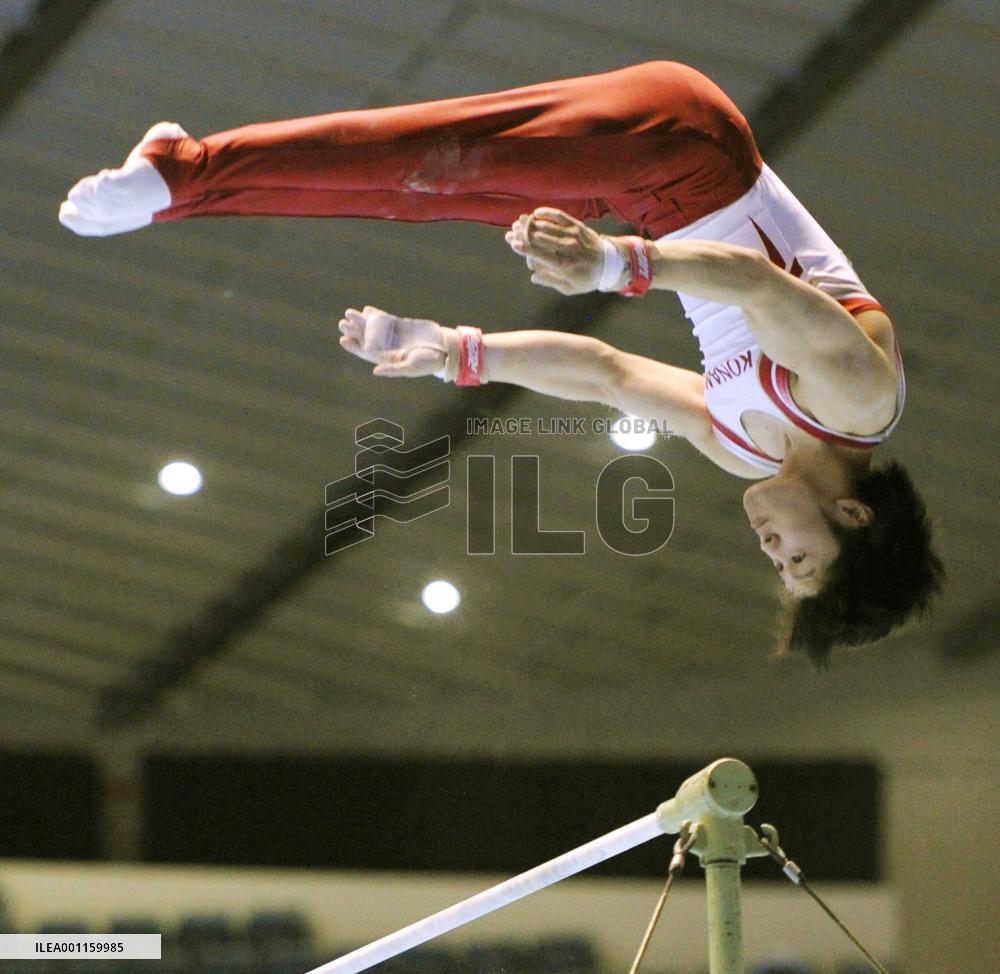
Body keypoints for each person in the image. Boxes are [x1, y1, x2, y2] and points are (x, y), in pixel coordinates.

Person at [58, 61, 942, 663]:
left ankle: (182, 183)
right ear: (854, 518)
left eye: (778, 565)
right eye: (796, 559)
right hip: (687, 147)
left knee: (416, 193)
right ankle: (186, 172)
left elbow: (605, 375)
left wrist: (454, 352)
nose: (769, 548)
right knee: (430, 157)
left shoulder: (745, 450)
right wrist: (614, 263)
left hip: (643, 194)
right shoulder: (858, 399)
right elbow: (752, 282)